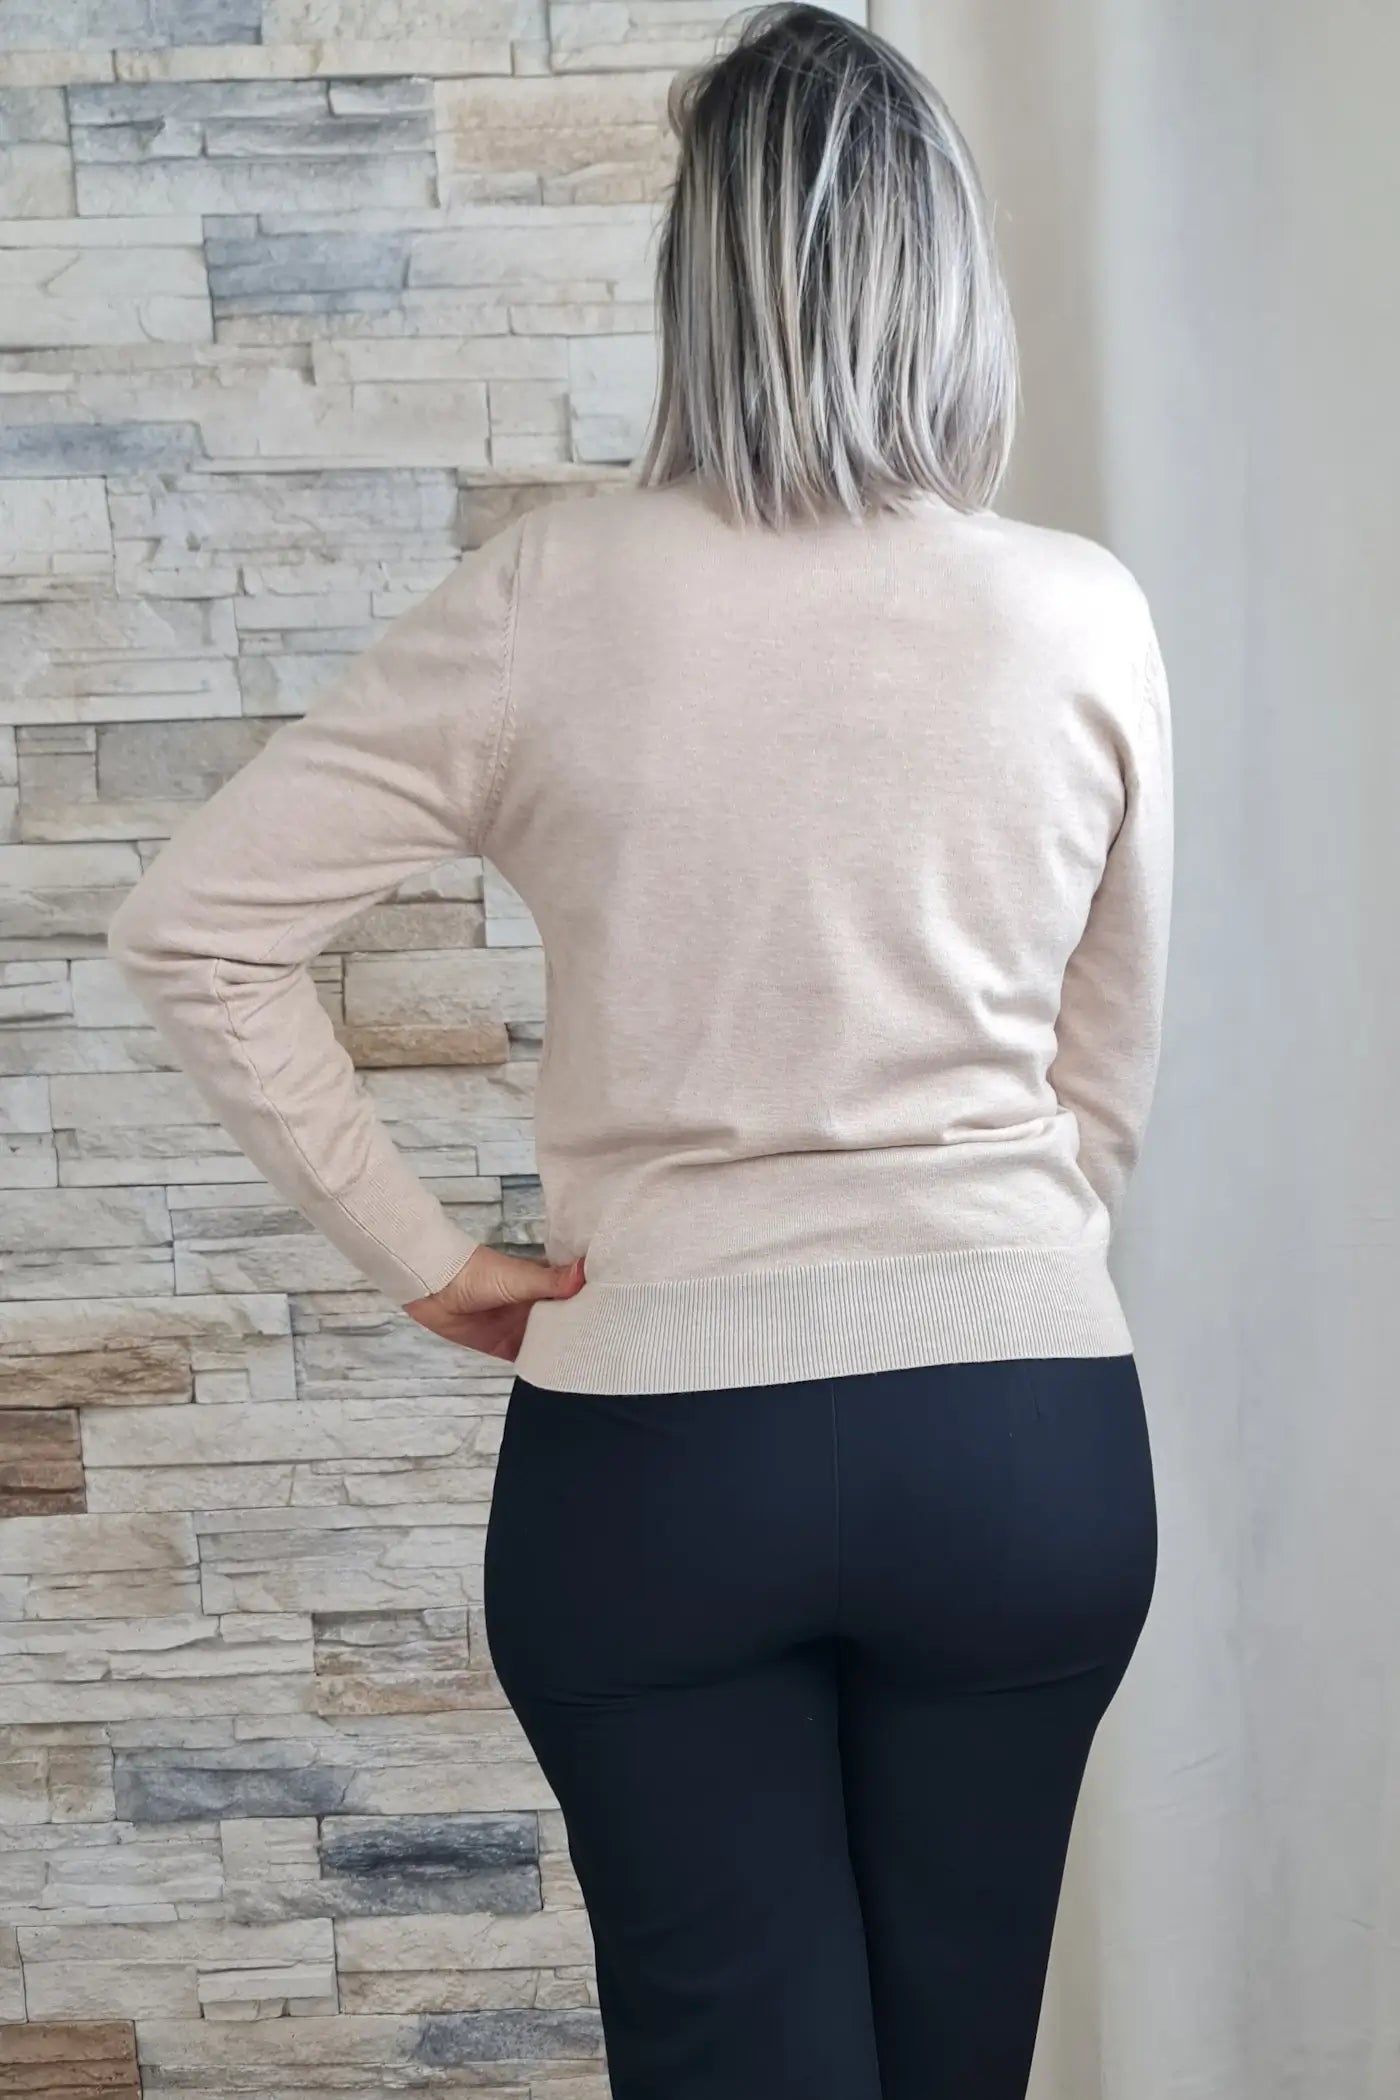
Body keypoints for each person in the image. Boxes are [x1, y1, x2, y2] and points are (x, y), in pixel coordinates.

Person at [106, 5, 1173, 2095]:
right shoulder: (1083, 612)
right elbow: (1103, 1070)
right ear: (952, 283)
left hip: (668, 1467)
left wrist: (425, 1258)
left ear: (702, 280)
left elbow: (194, 926)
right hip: (1026, 1453)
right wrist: (982, 1288)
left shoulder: (552, 595)